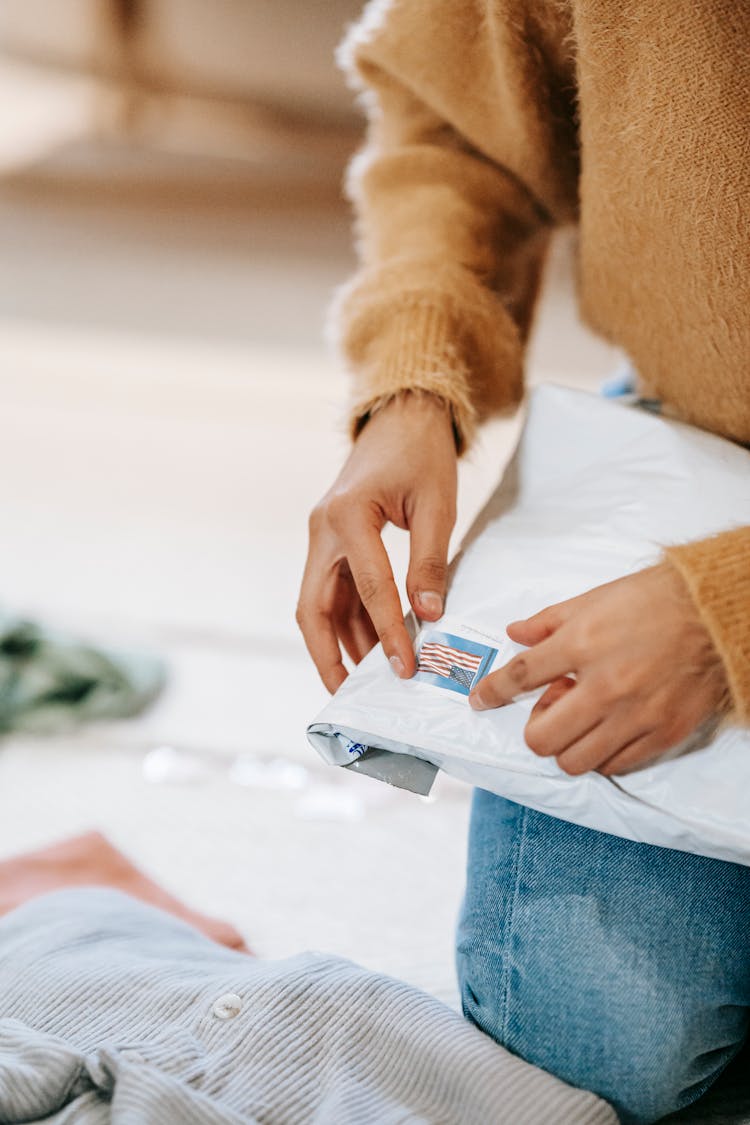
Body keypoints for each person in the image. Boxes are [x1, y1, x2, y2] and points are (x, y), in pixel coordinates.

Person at [296, 2, 750, 1121]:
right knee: (593, 1040)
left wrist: (727, 610)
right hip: (694, 443)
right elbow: (458, 129)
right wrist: (411, 388)